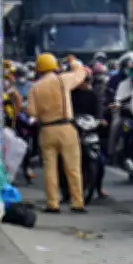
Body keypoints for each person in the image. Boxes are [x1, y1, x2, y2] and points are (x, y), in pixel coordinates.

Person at [25, 53, 88, 214]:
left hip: (46, 130)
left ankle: (52, 204)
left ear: (39, 69)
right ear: (54, 66)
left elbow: (31, 112)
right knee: (73, 168)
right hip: (66, 128)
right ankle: (77, 203)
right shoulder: (63, 80)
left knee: (49, 169)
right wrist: (73, 62)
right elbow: (81, 73)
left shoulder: (35, 87)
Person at [61, 67, 108, 200]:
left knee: (101, 161)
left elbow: (99, 112)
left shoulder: (94, 95)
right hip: (72, 130)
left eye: (88, 80)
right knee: (62, 159)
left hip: (89, 131)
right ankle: (65, 190)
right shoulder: (69, 94)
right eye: (83, 80)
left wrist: (101, 121)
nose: (86, 83)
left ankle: (99, 188)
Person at [108, 57, 133, 161]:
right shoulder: (123, 84)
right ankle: (112, 153)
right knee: (117, 126)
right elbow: (117, 99)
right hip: (126, 115)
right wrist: (118, 104)